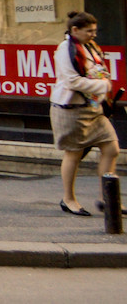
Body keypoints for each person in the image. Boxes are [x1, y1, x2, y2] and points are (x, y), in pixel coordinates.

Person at [50, 11, 121, 216]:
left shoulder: (89, 46)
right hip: (71, 109)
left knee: (112, 148)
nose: (93, 34)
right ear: (75, 30)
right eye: (89, 31)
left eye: (95, 31)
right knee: (74, 153)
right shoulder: (65, 49)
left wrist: (103, 84)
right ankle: (68, 199)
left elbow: (97, 69)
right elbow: (72, 81)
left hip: (93, 107)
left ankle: (107, 197)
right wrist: (102, 84)